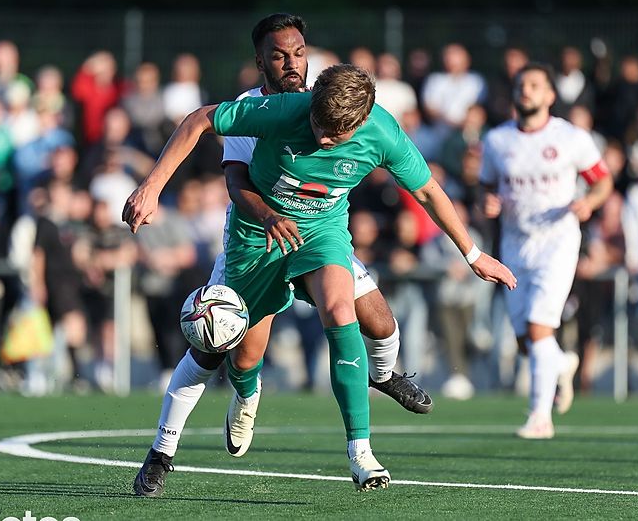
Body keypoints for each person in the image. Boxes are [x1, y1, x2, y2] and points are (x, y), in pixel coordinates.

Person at [125, 52, 516, 494]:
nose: (324, 139)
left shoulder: (383, 132)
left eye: (337, 133)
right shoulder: (282, 110)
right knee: (224, 350)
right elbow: (199, 120)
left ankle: (361, 452)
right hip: (257, 237)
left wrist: (473, 254)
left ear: (361, 121)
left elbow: (427, 190)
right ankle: (182, 436)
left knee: (344, 311)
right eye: (319, 127)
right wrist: (152, 186)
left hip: (322, 234)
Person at [481, 63, 613, 439]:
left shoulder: (571, 137)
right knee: (526, 340)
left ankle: (540, 417)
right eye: (521, 85)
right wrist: (487, 202)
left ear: (550, 95)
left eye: (535, 85)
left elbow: (602, 181)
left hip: (557, 241)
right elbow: (486, 185)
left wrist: (589, 203)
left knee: (540, 327)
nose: (526, 90)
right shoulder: (497, 140)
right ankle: (561, 363)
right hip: (514, 244)